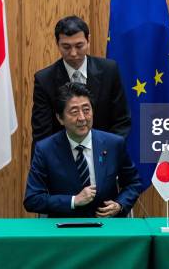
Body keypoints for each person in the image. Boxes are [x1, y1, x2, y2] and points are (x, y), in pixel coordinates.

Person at [24, 82, 140, 218]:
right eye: (74, 112)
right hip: (65, 230)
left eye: (86, 110)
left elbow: (133, 183)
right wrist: (74, 201)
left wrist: (119, 205)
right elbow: (32, 199)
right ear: (60, 118)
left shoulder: (113, 144)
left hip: (107, 228)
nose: (82, 118)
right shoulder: (45, 149)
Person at [31, 15, 130, 155]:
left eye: (79, 46)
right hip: (63, 160)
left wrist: (107, 153)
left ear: (88, 40)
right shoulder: (44, 79)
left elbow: (122, 121)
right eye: (66, 47)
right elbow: (42, 134)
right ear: (57, 43)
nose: (73, 53)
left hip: (105, 154)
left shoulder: (109, 70)